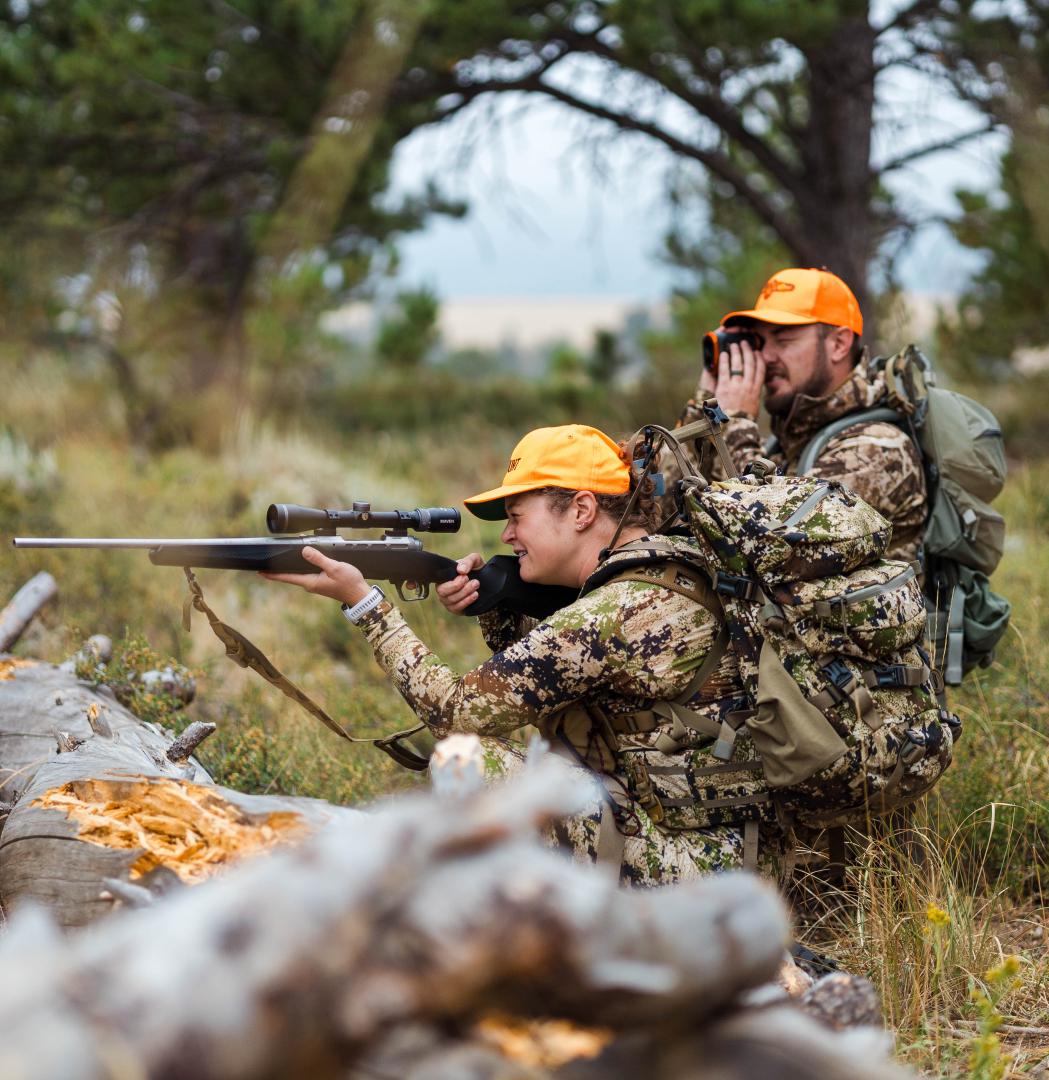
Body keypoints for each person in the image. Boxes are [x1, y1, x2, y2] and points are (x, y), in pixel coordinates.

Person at [263, 424, 767, 885]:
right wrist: (495, 605)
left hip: (705, 871)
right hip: (720, 846)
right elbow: (558, 672)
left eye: (516, 517)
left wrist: (367, 606)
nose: (507, 536)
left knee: (474, 760)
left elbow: (458, 713)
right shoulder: (660, 571)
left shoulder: (616, 610)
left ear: (582, 511)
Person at [681, 267, 927, 566]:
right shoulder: (790, 439)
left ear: (838, 344)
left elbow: (770, 550)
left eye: (783, 341)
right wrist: (701, 407)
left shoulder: (878, 449)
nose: (767, 358)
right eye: (760, 344)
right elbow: (667, 511)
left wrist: (735, 422)